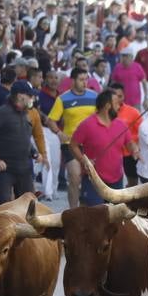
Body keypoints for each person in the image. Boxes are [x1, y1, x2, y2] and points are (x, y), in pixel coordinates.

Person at [70, 90, 138, 206]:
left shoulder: (121, 125)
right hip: (93, 180)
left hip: (116, 180)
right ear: (107, 106)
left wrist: (134, 149)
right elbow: (73, 145)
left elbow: (129, 143)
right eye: (116, 103)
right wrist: (83, 161)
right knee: (95, 218)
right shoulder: (87, 125)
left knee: (115, 217)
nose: (119, 106)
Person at [48, 70, 101, 207]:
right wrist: (59, 133)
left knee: (92, 177)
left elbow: (101, 116)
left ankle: (89, 207)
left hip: (91, 143)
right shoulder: (63, 99)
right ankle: (73, 211)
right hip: (70, 143)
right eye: (81, 79)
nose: (84, 83)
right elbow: (51, 120)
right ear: (73, 81)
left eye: (86, 79)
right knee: (74, 176)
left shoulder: (94, 97)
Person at [0, 87, 44, 203]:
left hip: (24, 169)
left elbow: (24, 138)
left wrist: (35, 153)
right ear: (21, 96)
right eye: (30, 96)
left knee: (27, 205)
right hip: (5, 169)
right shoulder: (2, 113)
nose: (33, 99)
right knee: (4, 204)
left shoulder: (25, 114)